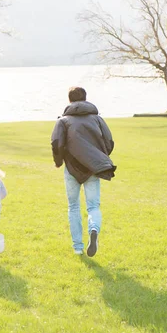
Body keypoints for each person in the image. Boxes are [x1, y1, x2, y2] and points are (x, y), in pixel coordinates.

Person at [50, 87, 116, 257]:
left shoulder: (63, 121)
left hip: (71, 168)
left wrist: (58, 162)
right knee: (93, 205)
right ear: (85, 99)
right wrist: (98, 157)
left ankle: (78, 248)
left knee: (73, 206)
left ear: (69, 100)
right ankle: (94, 229)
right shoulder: (97, 119)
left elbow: (56, 143)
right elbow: (109, 141)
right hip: (93, 168)